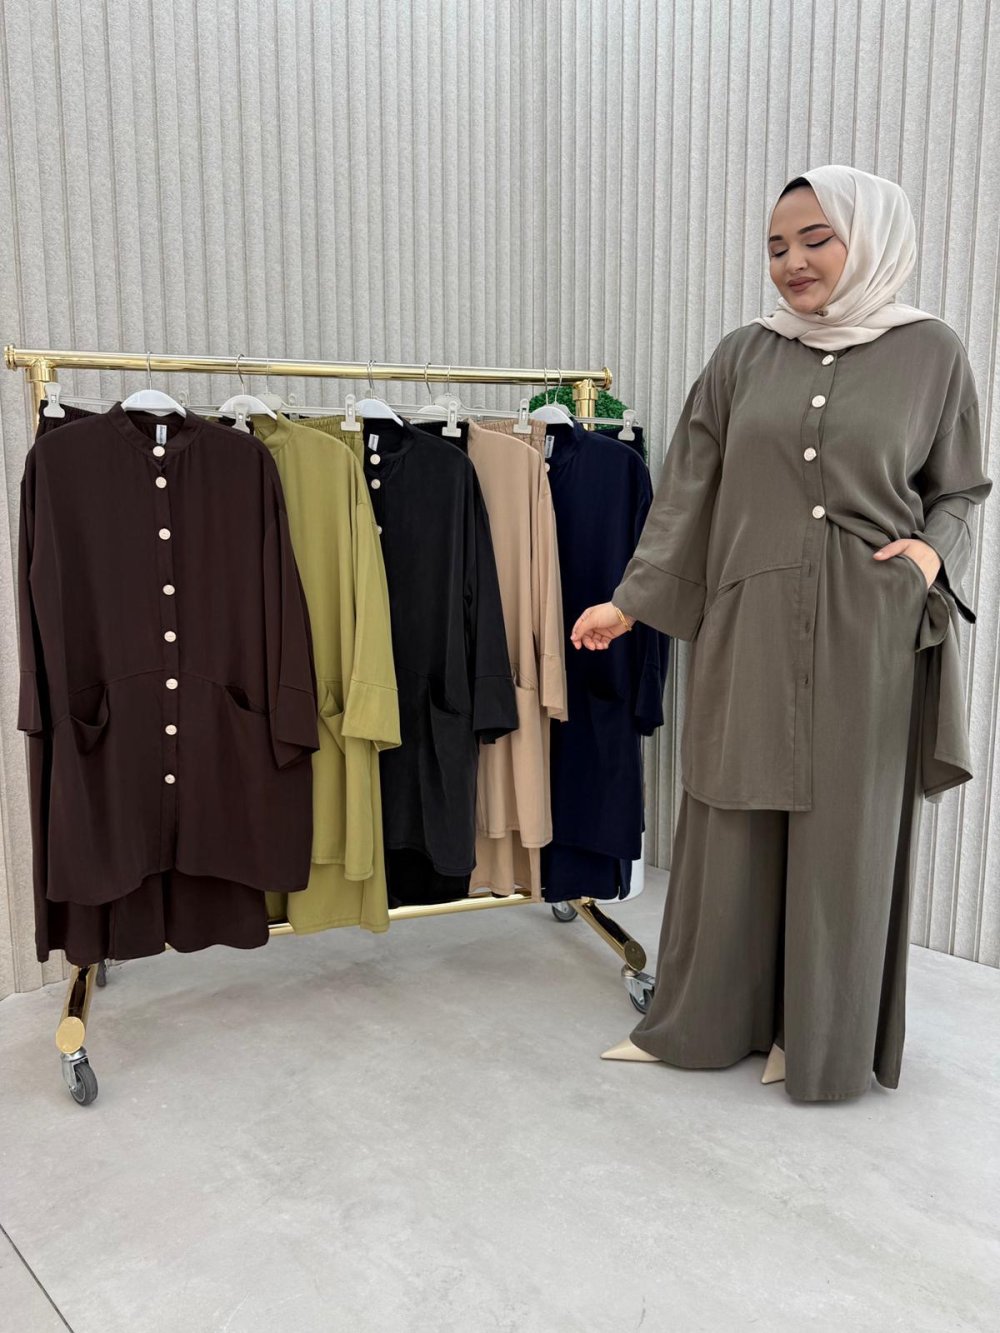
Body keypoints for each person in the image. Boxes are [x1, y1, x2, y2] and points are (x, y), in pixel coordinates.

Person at [571, 166, 992, 1102]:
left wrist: (931, 556)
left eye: (816, 239)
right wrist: (630, 602)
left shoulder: (932, 352)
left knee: (844, 831)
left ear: (867, 239)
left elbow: (961, 485)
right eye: (775, 246)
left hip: (866, 624)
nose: (792, 262)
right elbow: (689, 488)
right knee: (729, 814)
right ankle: (704, 1020)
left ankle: (816, 1038)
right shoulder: (742, 355)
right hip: (747, 616)